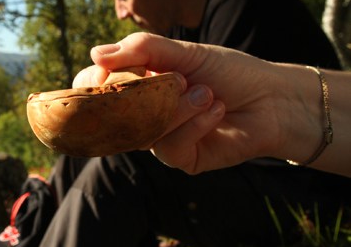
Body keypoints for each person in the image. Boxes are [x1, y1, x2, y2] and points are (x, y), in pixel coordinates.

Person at [27, 0, 351, 247]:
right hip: (250, 184)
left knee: (128, 168)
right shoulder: (179, 32)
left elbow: (230, 133)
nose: (120, 12)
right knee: (81, 157)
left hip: (302, 202)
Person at [75, 32, 351, 178]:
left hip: (300, 190)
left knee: (116, 170)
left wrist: (275, 101)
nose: (121, 12)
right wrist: (274, 102)